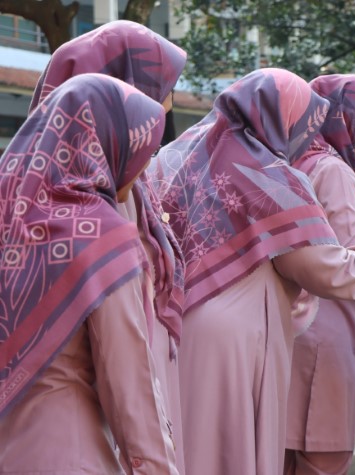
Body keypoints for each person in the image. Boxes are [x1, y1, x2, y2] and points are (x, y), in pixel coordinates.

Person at [151, 68, 355, 474]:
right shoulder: (267, 175)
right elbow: (323, 268)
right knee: (231, 453)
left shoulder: (190, 160)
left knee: (195, 449)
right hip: (239, 334)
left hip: (185, 322)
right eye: (304, 120)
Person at [28, 20, 188, 469]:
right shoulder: (98, 218)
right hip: (90, 429)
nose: (169, 102)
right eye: (158, 90)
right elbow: (122, 370)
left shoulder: (24, 197)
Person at [283, 74, 355, 474]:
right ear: (348, 122)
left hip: (289, 326)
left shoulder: (291, 158)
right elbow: (350, 256)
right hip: (327, 331)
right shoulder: (333, 170)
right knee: (323, 457)